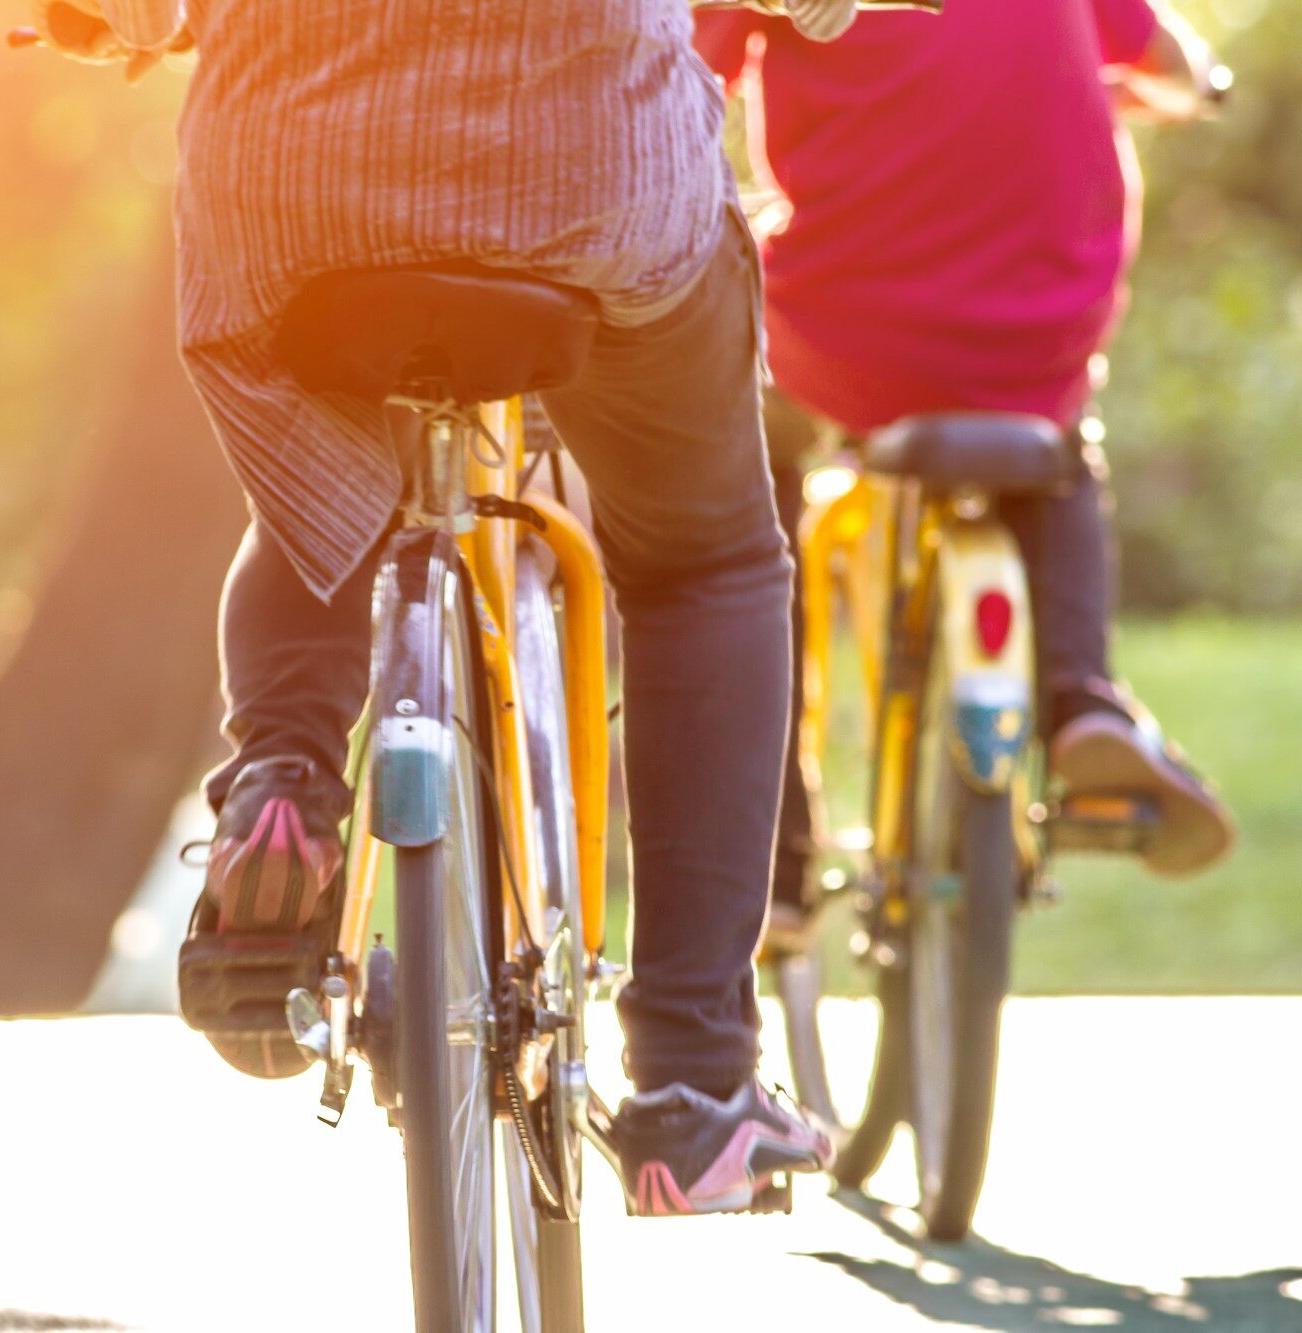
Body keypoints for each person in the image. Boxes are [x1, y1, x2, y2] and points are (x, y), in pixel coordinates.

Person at [133, 0, 868, 1213]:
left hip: (299, 199)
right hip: (593, 188)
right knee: (706, 566)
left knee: (322, 476)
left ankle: (284, 774)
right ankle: (694, 1083)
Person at [695, 0, 1236, 947]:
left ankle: (771, 859)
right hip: (1042, 314)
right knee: (1057, 446)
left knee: (754, 480)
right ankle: (1079, 696)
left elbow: (688, 70)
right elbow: (1170, 61)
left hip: (839, 319)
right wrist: (1202, 88)